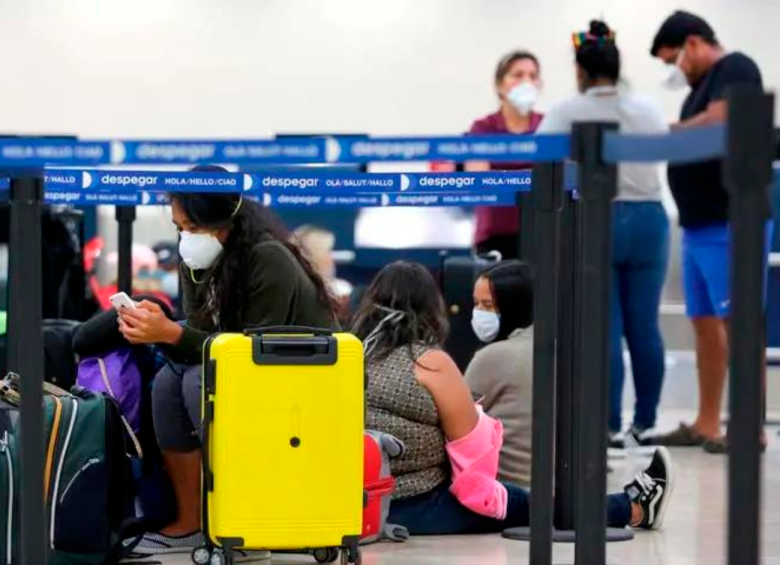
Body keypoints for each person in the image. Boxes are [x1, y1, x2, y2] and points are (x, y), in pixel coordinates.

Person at [353, 261, 675, 535]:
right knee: (534, 506)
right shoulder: (429, 362)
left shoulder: (353, 355)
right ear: (429, 309)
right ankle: (633, 508)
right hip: (418, 504)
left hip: (356, 502)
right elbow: (470, 447)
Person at [117, 178, 338, 554]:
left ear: (226, 223)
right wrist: (161, 331)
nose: (186, 238)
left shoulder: (268, 258)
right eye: (179, 229)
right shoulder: (198, 262)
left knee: (196, 383)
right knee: (170, 382)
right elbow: (202, 340)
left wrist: (171, 334)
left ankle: (242, 518)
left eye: (194, 228)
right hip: (244, 371)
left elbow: (253, 354)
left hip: (302, 379)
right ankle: (191, 520)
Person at [536, 20, 670, 447]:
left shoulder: (566, 111)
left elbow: (540, 161)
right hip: (650, 218)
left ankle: (608, 425)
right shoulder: (647, 109)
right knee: (644, 326)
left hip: (597, 219)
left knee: (603, 326)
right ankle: (645, 421)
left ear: (580, 70)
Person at [649, 11, 771, 452]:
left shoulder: (735, 68)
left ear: (694, 43)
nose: (675, 69)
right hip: (699, 226)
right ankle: (706, 423)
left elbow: (722, 121)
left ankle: (748, 428)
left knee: (738, 324)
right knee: (704, 324)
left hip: (732, 221)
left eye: (674, 59)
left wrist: (666, 133)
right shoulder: (698, 89)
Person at [466, 51, 544, 260]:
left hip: (544, 234)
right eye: (518, 75)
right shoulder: (483, 128)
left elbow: (562, 180)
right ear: (500, 85)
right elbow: (478, 182)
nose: (526, 82)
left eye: (532, 76)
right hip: (494, 237)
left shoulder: (548, 126)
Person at [465, 260, 534, 488]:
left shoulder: (494, 356)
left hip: (506, 489)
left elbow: (458, 421)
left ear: (514, 305)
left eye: (488, 305)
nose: (479, 313)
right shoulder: (553, 344)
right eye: (476, 304)